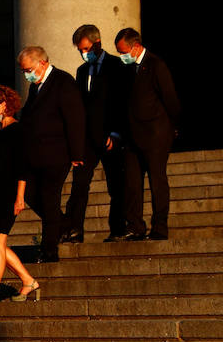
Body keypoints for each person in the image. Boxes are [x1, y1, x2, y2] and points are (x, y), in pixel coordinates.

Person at [62, 24, 130, 244]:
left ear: (97, 43)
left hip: (109, 136)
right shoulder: (82, 72)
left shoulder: (116, 66)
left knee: (116, 184)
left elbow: (121, 102)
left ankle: (118, 228)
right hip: (87, 139)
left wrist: (116, 133)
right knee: (79, 185)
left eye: (86, 48)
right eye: (80, 50)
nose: (83, 53)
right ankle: (74, 229)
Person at [0, 86, 40, 317]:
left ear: (5, 105)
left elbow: (23, 166)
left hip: (10, 192)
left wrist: (20, 197)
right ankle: (28, 280)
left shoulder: (18, 130)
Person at [16, 46, 84, 263]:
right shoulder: (35, 87)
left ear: (42, 63)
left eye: (28, 69)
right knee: (33, 195)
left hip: (57, 153)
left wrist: (76, 152)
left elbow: (74, 118)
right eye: (23, 71)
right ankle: (66, 226)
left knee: (49, 198)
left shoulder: (63, 82)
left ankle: (49, 250)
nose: (26, 74)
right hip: (36, 154)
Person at [113, 28, 181, 241]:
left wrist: (173, 127)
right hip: (132, 136)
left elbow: (170, 98)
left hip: (155, 134)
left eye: (123, 51)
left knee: (157, 181)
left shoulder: (155, 65)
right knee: (132, 183)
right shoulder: (128, 69)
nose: (121, 56)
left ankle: (159, 227)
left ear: (136, 47)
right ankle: (135, 226)